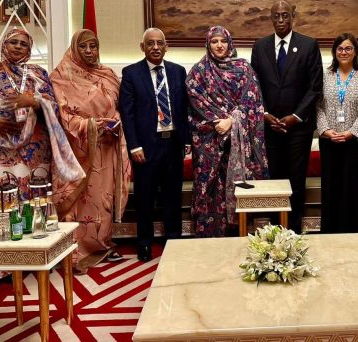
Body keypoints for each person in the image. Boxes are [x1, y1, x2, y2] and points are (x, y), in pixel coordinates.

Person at [0, 27, 84, 205]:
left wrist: (34, 102)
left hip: (35, 150)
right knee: (5, 201)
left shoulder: (39, 73)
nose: (18, 46)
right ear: (4, 45)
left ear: (29, 49)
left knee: (36, 202)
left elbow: (56, 109)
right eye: (13, 42)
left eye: (23, 44)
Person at [50, 29, 130, 273]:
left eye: (93, 46)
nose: (88, 51)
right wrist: (92, 125)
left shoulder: (108, 75)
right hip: (78, 151)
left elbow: (117, 108)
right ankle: (75, 250)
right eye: (83, 46)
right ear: (74, 48)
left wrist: (115, 122)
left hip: (106, 148)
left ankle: (101, 243)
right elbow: (61, 116)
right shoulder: (61, 76)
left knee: (102, 200)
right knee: (80, 200)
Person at [185, 26, 269, 237]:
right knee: (209, 189)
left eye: (223, 41)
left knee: (241, 187)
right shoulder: (199, 71)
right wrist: (218, 123)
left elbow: (253, 103)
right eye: (214, 41)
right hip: (209, 141)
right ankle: (210, 238)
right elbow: (196, 104)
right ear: (208, 44)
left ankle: (242, 236)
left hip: (239, 142)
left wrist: (231, 121)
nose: (219, 45)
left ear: (230, 43)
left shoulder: (244, 69)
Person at [250, 0, 323, 232]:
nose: (281, 20)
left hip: (298, 129)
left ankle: (292, 232)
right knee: (274, 180)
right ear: (271, 18)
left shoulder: (309, 45)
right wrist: (265, 114)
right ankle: (274, 231)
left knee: (295, 181)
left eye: (285, 15)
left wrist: (295, 116)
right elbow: (254, 87)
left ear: (293, 16)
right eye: (276, 16)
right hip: (269, 127)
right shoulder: (259, 46)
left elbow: (314, 87)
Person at [120, 28, 190, 262]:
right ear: (143, 47)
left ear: (166, 46)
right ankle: (144, 244)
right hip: (146, 147)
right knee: (145, 198)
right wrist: (134, 146)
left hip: (173, 144)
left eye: (160, 43)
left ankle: (173, 242)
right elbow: (127, 114)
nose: (156, 47)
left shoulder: (178, 72)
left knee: (173, 197)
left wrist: (186, 140)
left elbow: (184, 109)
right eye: (150, 43)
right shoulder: (131, 73)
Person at [316, 33, 358, 233]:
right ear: (334, 52)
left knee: (352, 188)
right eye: (340, 48)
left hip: (353, 142)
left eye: (348, 48)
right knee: (331, 188)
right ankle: (330, 233)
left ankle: (354, 233)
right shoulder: (325, 75)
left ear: (355, 52)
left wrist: (352, 132)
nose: (344, 52)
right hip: (329, 141)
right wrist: (326, 130)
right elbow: (317, 106)